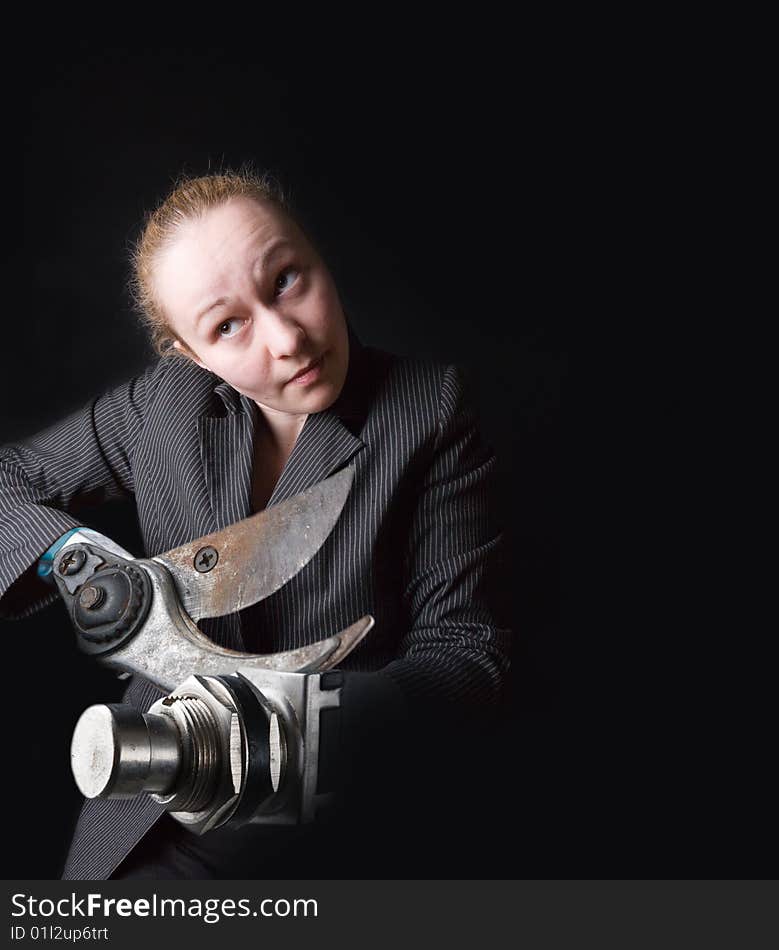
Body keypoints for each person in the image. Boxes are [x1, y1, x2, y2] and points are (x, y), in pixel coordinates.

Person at [0, 166, 511, 879]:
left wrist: (298, 730)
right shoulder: (164, 406)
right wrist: (71, 558)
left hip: (318, 836)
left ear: (315, 253)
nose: (287, 340)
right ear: (190, 355)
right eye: (227, 325)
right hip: (142, 825)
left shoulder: (428, 412)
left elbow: (466, 659)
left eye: (286, 281)